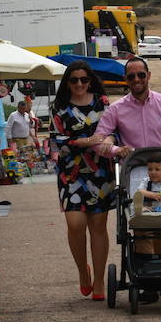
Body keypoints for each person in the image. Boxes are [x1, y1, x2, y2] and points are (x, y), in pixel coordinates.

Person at [50, 61, 114, 299]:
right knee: (75, 225)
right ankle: (82, 272)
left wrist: (107, 140)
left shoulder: (102, 103)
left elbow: (114, 129)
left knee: (98, 227)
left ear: (90, 80)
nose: (79, 84)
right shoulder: (59, 107)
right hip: (71, 174)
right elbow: (57, 140)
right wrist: (87, 141)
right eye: (74, 79)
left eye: (84, 79)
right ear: (67, 82)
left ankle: (99, 282)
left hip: (101, 173)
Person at [88, 56, 161, 164]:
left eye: (141, 75)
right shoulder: (115, 109)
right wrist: (116, 150)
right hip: (132, 172)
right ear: (125, 79)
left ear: (148, 75)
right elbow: (97, 142)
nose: (136, 79)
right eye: (131, 76)